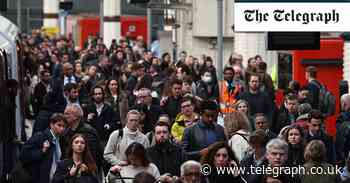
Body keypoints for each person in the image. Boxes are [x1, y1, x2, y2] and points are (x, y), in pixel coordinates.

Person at [20, 113, 67, 183]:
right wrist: (42, 151)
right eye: (59, 125)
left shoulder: (61, 141)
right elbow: (24, 155)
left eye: (64, 126)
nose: (62, 128)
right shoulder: (40, 137)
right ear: (51, 124)